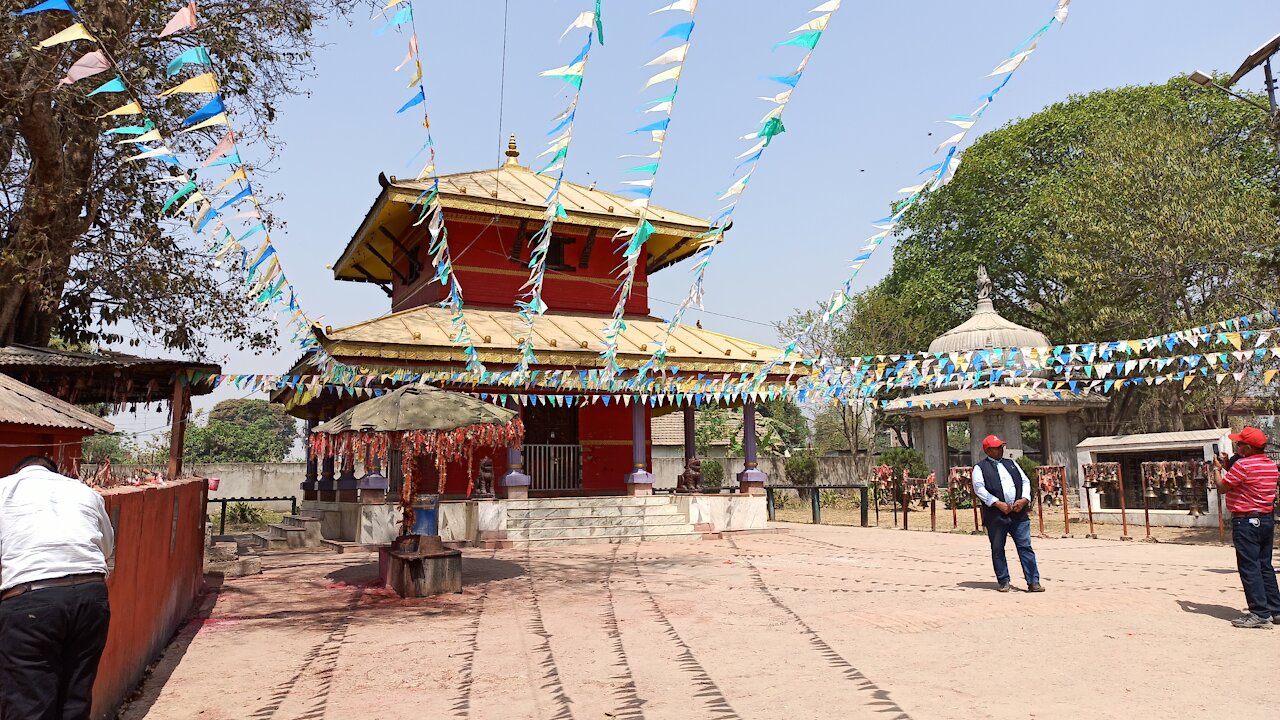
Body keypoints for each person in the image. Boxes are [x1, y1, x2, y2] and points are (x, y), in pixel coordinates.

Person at [0, 455, 115, 719]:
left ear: (18, 471)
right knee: (75, 699)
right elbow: (106, 547)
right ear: (56, 472)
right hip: (91, 596)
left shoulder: (4, 490)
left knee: (28, 703)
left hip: (32, 599)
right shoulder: (86, 492)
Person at [1210, 426, 1280, 629]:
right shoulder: (1270, 465)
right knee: (1265, 566)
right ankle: (1275, 609)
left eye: (1239, 444)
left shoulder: (1243, 466)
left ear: (1248, 448)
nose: (1237, 446)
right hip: (1265, 519)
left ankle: (1259, 613)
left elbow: (1223, 487)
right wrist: (1228, 466)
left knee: (1249, 567)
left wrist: (1216, 469)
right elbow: (1245, 481)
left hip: (1245, 522)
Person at [972, 435, 1043, 593]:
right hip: (996, 515)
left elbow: (1025, 481)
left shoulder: (1011, 464)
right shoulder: (980, 468)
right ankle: (1003, 580)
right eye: (997, 447)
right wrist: (997, 503)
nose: (1001, 449)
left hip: (1018, 513)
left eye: (1001, 446)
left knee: (1025, 547)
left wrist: (1024, 499)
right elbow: (979, 489)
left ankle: (1033, 581)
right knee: (998, 548)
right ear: (988, 450)